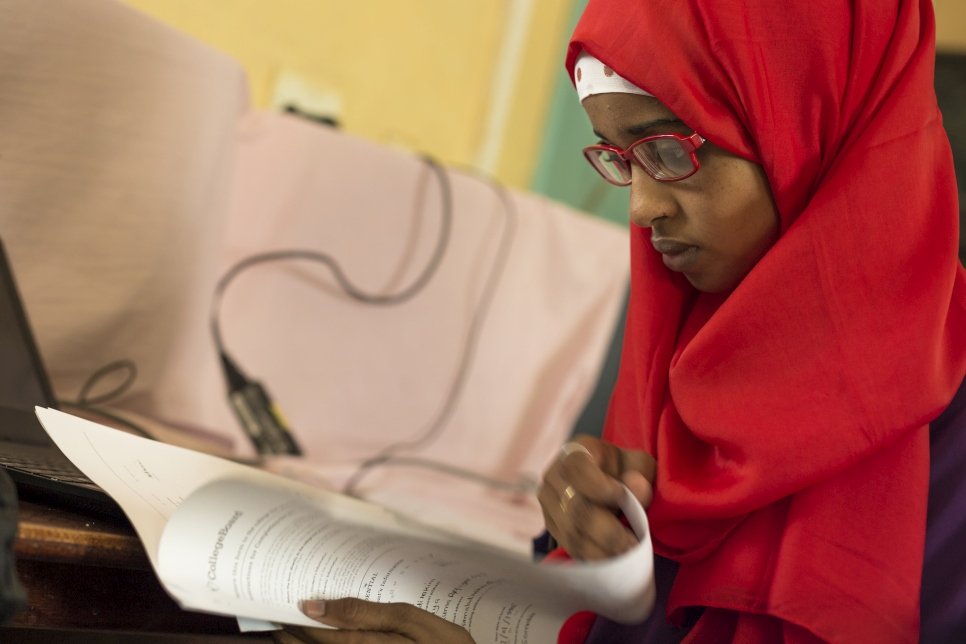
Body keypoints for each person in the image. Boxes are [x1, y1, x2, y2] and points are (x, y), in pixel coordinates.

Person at [276, 0, 966, 641]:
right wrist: (577, 524)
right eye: (619, 157)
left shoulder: (947, 447)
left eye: (668, 150)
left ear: (810, 120)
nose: (642, 208)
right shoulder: (689, 348)